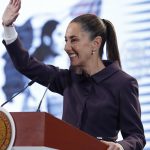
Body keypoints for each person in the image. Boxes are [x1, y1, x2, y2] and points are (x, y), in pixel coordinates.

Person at [2, 0, 146, 149]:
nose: (66, 47)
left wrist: (120, 146)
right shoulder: (66, 79)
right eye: (66, 41)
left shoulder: (123, 83)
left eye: (74, 40)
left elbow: (136, 137)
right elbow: (25, 64)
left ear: (95, 43)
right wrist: (8, 27)